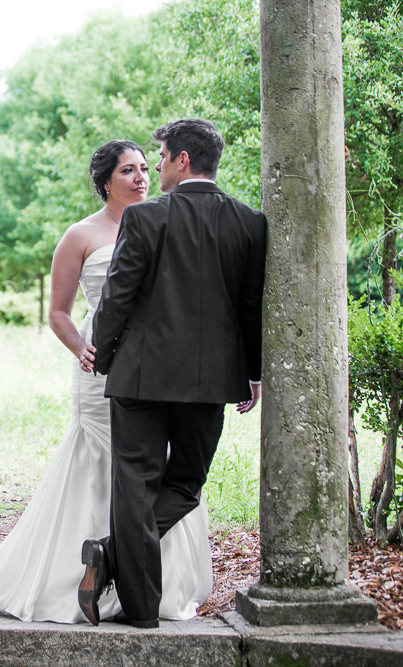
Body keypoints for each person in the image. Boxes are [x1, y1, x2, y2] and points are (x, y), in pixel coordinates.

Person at [0, 140, 212, 623]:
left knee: (157, 472)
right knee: (99, 469)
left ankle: (132, 577)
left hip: (156, 372)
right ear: (106, 181)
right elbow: (58, 313)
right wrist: (80, 348)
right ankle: (70, 578)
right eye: (128, 170)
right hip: (100, 367)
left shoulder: (166, 224)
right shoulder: (80, 235)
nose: (141, 177)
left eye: (146, 168)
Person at [78, 119, 267, 629]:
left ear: (182, 159)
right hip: (210, 384)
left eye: (160, 156)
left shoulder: (144, 219)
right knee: (184, 484)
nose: (156, 166)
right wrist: (253, 373)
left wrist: (105, 356)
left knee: (136, 486)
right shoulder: (250, 223)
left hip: (140, 377)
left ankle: (136, 604)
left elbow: (116, 299)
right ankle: (110, 555)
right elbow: (253, 308)